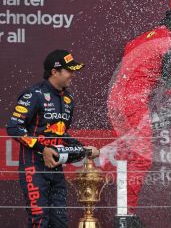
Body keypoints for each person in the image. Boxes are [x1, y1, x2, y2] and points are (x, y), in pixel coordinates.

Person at [106, 7, 171, 219]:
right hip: (132, 105)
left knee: (126, 158)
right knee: (141, 160)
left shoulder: (142, 38)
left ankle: (124, 213)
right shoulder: (168, 43)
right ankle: (126, 217)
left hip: (115, 102)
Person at [6, 49, 100, 227]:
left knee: (60, 221)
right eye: (68, 70)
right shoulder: (34, 94)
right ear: (54, 72)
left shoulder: (68, 99)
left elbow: (61, 133)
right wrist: (43, 149)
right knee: (40, 220)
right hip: (34, 167)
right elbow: (14, 127)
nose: (73, 74)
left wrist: (84, 149)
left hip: (56, 168)